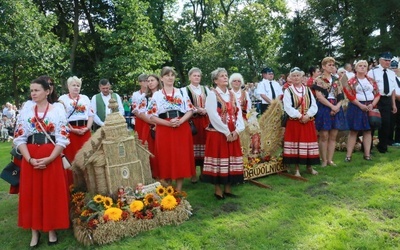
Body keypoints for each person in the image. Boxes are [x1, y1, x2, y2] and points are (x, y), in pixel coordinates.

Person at [13, 77, 70, 247]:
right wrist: (29, 159)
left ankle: (51, 228)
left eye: (37, 90)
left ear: (47, 91)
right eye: (31, 90)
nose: (33, 93)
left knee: (50, 192)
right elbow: (19, 138)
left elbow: (62, 138)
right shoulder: (26, 111)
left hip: (50, 157)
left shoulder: (57, 111)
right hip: (30, 157)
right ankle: (34, 231)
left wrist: (52, 158)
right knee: (32, 193)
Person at [146, 66, 195, 191]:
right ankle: (168, 188)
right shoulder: (156, 95)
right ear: (162, 78)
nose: (170, 77)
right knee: (165, 156)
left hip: (181, 127)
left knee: (180, 157)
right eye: (167, 75)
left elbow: (190, 110)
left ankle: (178, 190)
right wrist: (167, 124)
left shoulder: (182, 92)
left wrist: (181, 121)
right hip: (164, 128)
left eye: (172, 75)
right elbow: (151, 116)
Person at [203, 68, 245, 200]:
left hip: (232, 131)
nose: (225, 78)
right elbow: (213, 115)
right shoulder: (212, 94)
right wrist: (226, 131)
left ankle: (228, 188)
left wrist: (237, 130)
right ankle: (218, 190)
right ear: (215, 80)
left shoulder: (232, 94)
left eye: (226, 75)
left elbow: (238, 113)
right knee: (219, 159)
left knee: (230, 159)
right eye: (222, 76)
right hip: (218, 132)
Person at [283, 67, 319, 177]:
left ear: (301, 77)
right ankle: (297, 169)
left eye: (298, 75)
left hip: (307, 122)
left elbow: (314, 105)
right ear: (290, 78)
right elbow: (287, 107)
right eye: (293, 76)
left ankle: (309, 167)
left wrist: (308, 115)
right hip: (295, 123)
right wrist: (299, 116)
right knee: (296, 145)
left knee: (308, 144)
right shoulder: (288, 91)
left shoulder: (307, 90)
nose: (296, 78)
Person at [58, 76, 93, 187]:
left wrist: (87, 128)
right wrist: (72, 129)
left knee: (87, 156)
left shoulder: (85, 98)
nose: (76, 88)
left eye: (78, 85)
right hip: (70, 132)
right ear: (68, 87)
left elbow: (91, 115)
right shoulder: (62, 99)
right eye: (73, 85)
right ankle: (72, 184)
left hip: (84, 130)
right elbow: (61, 117)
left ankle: (88, 183)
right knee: (71, 157)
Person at [313, 57, 348, 167]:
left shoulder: (336, 80)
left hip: (336, 106)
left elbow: (341, 96)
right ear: (323, 66)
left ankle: (330, 159)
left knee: (333, 135)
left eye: (333, 65)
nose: (332, 66)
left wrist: (337, 107)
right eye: (329, 65)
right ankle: (323, 160)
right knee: (324, 135)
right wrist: (331, 107)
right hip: (324, 107)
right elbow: (319, 96)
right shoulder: (318, 80)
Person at [342, 60, 380, 161]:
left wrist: (372, 104)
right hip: (356, 106)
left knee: (368, 131)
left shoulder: (371, 80)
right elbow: (349, 94)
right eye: (360, 66)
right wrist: (360, 105)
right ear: (356, 68)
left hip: (370, 106)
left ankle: (367, 155)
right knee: (354, 131)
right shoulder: (351, 81)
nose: (362, 67)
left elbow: (377, 94)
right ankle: (348, 156)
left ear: (367, 68)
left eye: (364, 66)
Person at [180, 67, 210, 183]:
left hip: (205, 120)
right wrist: (197, 110)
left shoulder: (206, 89)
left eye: (198, 76)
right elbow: (184, 105)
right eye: (194, 75)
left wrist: (206, 109)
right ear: (189, 77)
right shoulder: (184, 90)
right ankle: (193, 174)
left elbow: (210, 102)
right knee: (192, 146)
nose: (197, 77)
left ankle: (204, 172)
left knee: (205, 145)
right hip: (192, 121)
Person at [367, 52, 397, 153]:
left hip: (387, 99)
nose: (388, 62)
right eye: (386, 60)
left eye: (389, 60)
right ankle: (368, 147)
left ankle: (383, 147)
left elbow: (392, 90)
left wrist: (393, 104)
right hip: (376, 99)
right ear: (380, 60)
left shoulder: (392, 73)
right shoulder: (373, 72)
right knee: (373, 123)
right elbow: (369, 87)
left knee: (386, 124)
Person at [137, 74, 162, 178]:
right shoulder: (145, 97)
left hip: (163, 125)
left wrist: (160, 123)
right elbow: (141, 113)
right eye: (148, 81)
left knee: (161, 150)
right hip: (149, 127)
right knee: (150, 150)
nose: (150, 82)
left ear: (158, 81)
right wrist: (154, 123)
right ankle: (152, 173)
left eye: (152, 80)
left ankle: (164, 173)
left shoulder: (163, 94)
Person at [132, 74, 148, 141]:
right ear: (140, 83)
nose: (146, 82)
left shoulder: (151, 93)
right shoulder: (135, 94)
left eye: (147, 81)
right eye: (143, 81)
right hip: (139, 119)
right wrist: (142, 117)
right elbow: (135, 109)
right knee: (140, 138)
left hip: (150, 118)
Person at [389, 58, 400, 146]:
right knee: (391, 122)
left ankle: (397, 140)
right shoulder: (390, 77)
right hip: (394, 100)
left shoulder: (398, 78)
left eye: (395, 68)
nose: (394, 69)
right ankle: (389, 140)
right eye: (392, 68)